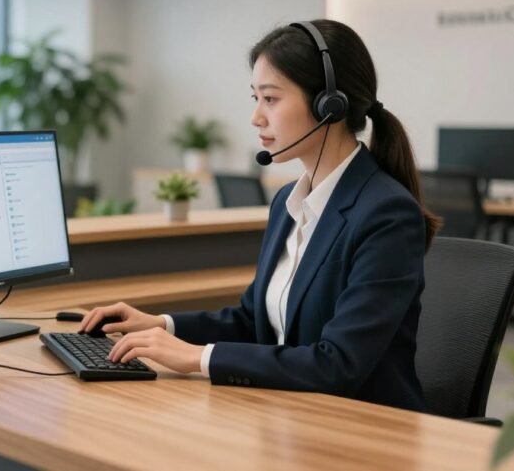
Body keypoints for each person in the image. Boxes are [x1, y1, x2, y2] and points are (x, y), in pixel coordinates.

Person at [80, 20, 441, 412]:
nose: (256, 117)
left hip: (365, 429)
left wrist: (197, 358)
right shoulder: (288, 201)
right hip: (290, 416)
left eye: (270, 98)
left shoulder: (386, 214)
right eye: (256, 97)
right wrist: (161, 325)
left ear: (328, 106)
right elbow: (253, 320)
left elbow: (338, 363)